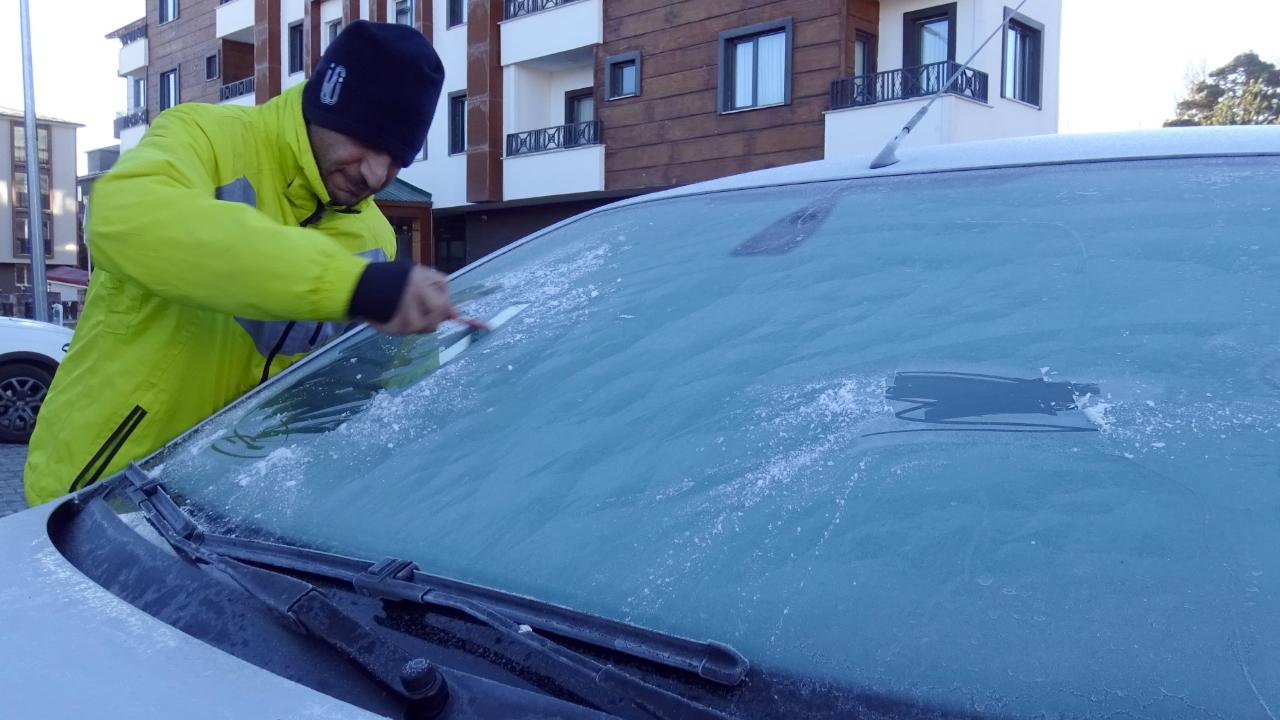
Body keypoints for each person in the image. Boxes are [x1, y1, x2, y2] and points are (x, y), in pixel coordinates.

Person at [24, 21, 452, 505]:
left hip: (235, 516)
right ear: (324, 102)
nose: (377, 173)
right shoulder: (205, 137)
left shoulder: (373, 236)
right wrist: (346, 284)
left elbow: (376, 385)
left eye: (398, 158)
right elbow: (121, 218)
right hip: (94, 498)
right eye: (367, 141)